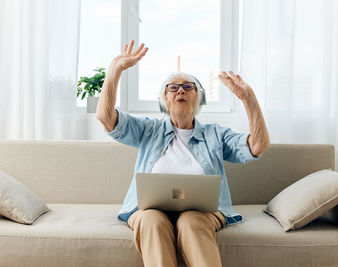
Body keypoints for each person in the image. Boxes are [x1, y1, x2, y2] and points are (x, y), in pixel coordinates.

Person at [96, 40, 270, 267]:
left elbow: (257, 146)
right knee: (151, 220)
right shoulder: (149, 129)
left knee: (190, 222)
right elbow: (105, 118)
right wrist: (115, 71)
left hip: (202, 213)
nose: (180, 90)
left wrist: (249, 99)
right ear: (165, 100)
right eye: (173, 87)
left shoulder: (215, 134)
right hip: (150, 211)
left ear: (198, 98)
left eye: (189, 87)